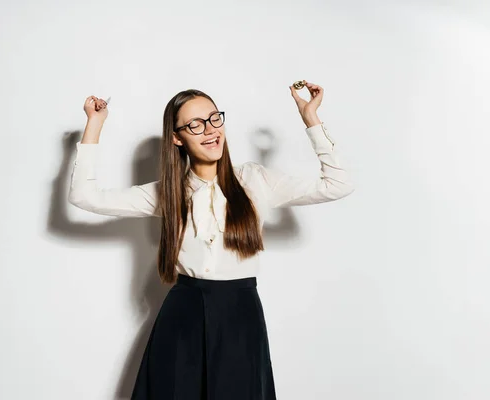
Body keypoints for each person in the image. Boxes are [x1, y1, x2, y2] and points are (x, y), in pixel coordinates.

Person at [68, 82, 354, 400]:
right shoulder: (168, 192)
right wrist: (95, 124)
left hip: (240, 314)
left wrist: (310, 118)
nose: (210, 130)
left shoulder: (255, 180)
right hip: (182, 313)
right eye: (195, 124)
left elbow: (338, 184)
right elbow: (84, 197)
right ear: (177, 138)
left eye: (214, 118)